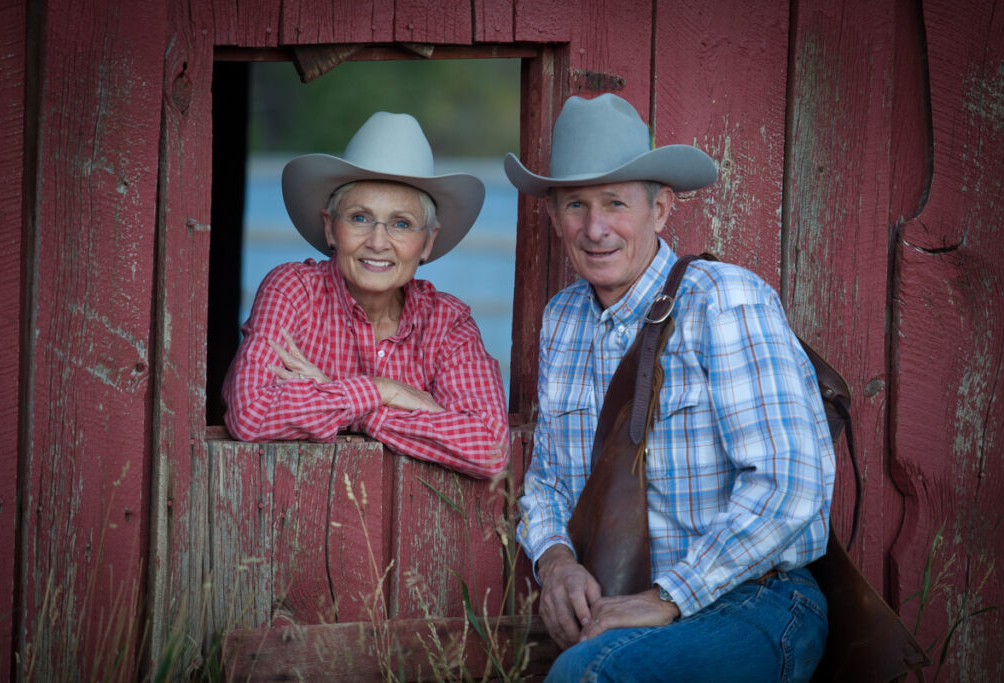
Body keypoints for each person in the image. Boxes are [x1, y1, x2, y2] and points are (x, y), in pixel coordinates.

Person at [504, 93, 836, 680]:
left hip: (754, 599)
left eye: (615, 203)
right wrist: (555, 562)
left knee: (591, 675)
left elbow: (790, 483)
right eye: (576, 205)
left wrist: (670, 595)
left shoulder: (723, 299)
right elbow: (548, 479)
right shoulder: (563, 320)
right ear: (554, 217)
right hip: (624, 610)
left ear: (659, 210)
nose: (595, 228)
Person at [223, 112, 509, 479]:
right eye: (360, 218)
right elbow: (251, 414)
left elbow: (490, 449)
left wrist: (345, 403)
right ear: (331, 228)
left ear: (427, 243)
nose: (377, 241)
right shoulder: (293, 290)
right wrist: (383, 390)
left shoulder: (448, 322)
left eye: (401, 224)